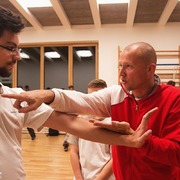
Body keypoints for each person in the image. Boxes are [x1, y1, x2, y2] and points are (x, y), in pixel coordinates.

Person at [0, 7, 154, 179]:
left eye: (18, 49)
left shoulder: (14, 98)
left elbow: (73, 123)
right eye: (11, 48)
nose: (18, 56)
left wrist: (128, 140)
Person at [4, 42, 180, 180]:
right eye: (121, 66)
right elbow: (84, 101)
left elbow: (177, 154)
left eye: (129, 67)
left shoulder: (174, 98)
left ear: (150, 69)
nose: (121, 73)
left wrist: (143, 141)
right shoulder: (116, 94)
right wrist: (49, 95)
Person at [68, 79, 115, 180]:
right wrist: (78, 177)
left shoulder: (114, 122)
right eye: (90, 96)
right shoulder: (79, 119)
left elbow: (115, 159)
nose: (93, 100)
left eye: (97, 96)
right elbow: (73, 151)